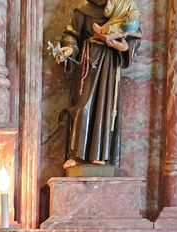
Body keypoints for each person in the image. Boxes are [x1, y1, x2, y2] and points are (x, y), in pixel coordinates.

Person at [51, 0, 141, 169]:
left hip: (110, 63)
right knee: (83, 105)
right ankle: (77, 155)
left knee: (106, 108)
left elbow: (135, 34)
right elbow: (71, 33)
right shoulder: (84, 8)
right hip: (89, 60)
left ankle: (101, 154)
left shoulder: (124, 5)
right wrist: (70, 48)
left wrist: (124, 47)